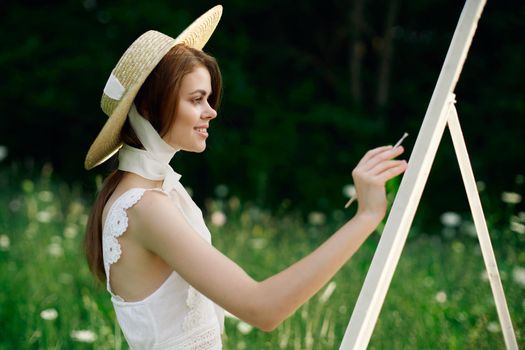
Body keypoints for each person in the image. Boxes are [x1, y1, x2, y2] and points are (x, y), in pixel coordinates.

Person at [83, 5, 407, 350]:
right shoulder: (144, 206)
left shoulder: (143, 193)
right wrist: (366, 217)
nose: (212, 111)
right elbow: (263, 309)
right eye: (197, 99)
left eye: (209, 98)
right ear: (147, 108)